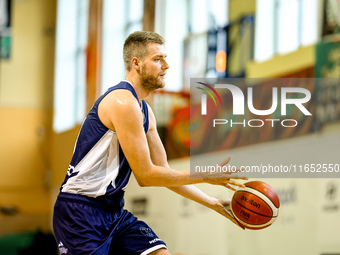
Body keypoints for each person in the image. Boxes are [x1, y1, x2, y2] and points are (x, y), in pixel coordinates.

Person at [53, 31, 248, 255]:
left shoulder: (145, 111)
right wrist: (204, 174)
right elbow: (145, 176)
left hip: (113, 212)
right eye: (157, 59)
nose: (166, 65)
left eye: (164, 58)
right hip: (80, 211)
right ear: (136, 63)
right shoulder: (122, 102)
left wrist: (212, 202)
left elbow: (163, 172)